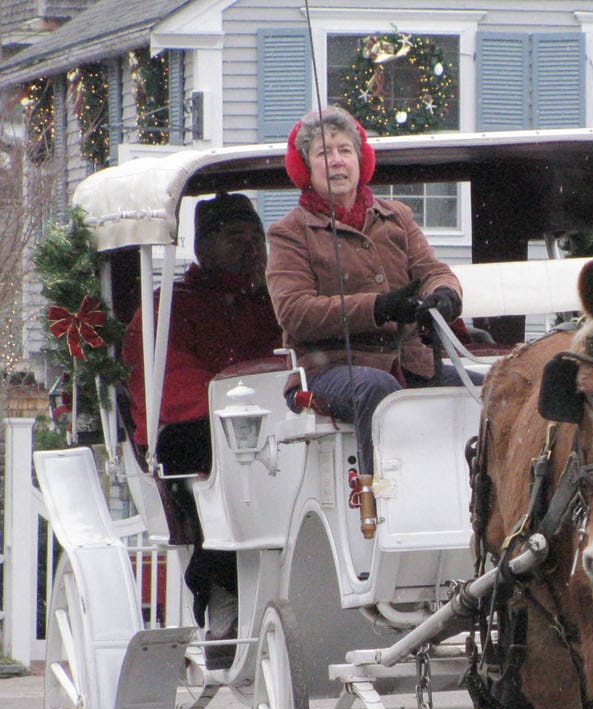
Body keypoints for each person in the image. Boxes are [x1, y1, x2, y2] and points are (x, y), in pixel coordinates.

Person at [266, 106, 464, 496]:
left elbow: (433, 270)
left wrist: (444, 297)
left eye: (345, 150)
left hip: (413, 363)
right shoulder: (290, 233)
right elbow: (294, 313)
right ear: (305, 166)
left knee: (493, 388)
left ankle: (482, 497)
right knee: (376, 389)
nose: (337, 161)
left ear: (361, 159)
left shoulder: (397, 217)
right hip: (329, 369)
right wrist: (378, 307)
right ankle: (387, 497)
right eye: (324, 153)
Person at [122, 192, 283, 649]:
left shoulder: (277, 302)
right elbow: (169, 389)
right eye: (236, 238)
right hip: (197, 430)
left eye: (257, 238)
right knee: (212, 455)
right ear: (203, 246)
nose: (251, 248)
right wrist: (238, 401)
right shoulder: (167, 308)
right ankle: (221, 588)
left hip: (278, 423)